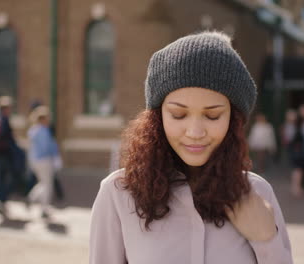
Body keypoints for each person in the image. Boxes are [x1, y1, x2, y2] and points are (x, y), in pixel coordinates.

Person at [90, 31, 292, 264]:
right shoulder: (117, 194)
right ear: (157, 118)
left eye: (213, 116)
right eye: (178, 114)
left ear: (233, 120)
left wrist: (267, 241)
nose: (195, 132)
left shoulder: (256, 192)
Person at [0, 96, 21, 218]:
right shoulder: (4, 120)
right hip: (4, 154)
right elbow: (7, 138)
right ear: (5, 109)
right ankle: (2, 200)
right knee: (10, 177)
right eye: (9, 108)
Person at [27, 106, 62, 219]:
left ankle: (31, 198)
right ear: (42, 119)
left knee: (43, 183)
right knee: (47, 185)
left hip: (35, 161)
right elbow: (47, 147)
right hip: (44, 160)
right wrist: (55, 157)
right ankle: (44, 208)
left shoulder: (33, 131)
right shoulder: (43, 131)